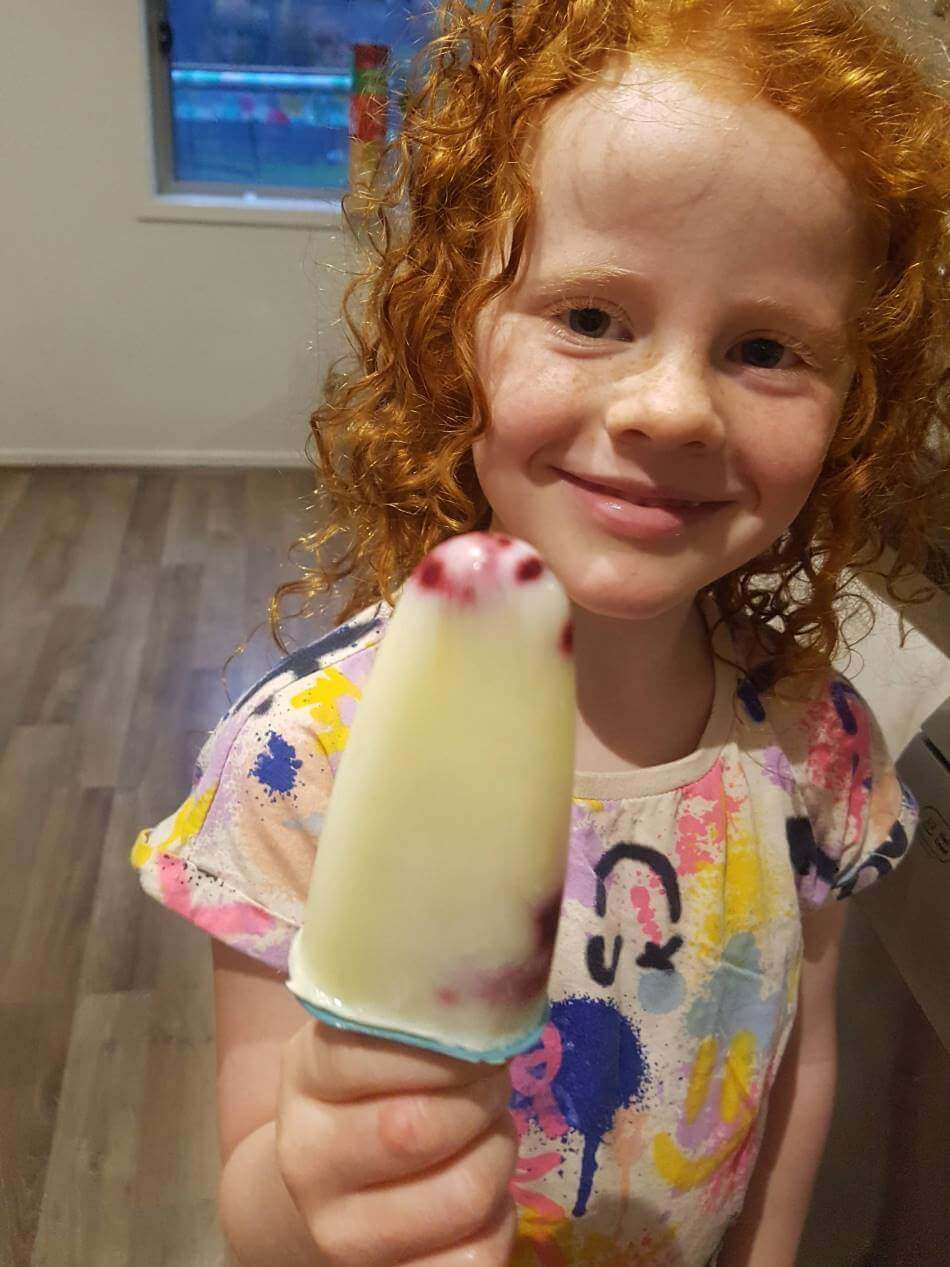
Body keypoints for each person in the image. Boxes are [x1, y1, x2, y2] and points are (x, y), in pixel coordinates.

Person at [130, 0, 949, 1263]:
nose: (670, 407)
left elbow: (799, 1066)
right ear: (450, 332)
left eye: (765, 346)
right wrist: (322, 1191)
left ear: (852, 407)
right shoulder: (300, 764)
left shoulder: (812, 743)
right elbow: (253, 1203)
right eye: (587, 316)